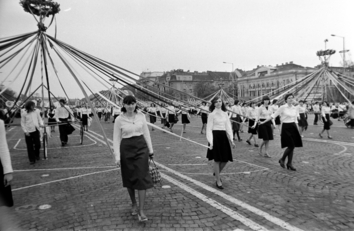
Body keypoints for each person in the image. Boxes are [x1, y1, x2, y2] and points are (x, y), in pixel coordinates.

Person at [113, 95, 154, 222]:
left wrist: (150, 150)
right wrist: (117, 157)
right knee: (129, 177)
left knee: (142, 177)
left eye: (132, 103)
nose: (130, 106)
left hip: (141, 147)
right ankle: (134, 203)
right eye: (128, 104)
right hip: (126, 149)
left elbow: (146, 133)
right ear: (124, 105)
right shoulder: (119, 119)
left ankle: (141, 210)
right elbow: (116, 138)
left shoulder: (141, 116)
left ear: (136, 104)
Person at [262, 93, 303, 171]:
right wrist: (263, 122)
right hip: (285, 127)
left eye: (292, 98)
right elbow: (273, 116)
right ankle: (282, 159)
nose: (291, 99)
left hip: (293, 126)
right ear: (286, 100)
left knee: (292, 146)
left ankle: (289, 163)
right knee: (291, 146)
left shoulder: (295, 108)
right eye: (289, 98)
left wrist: (297, 129)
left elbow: (295, 120)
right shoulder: (282, 107)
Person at [206, 97, 235, 190]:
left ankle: (216, 172)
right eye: (216, 102)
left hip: (223, 136)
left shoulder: (225, 114)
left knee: (226, 159)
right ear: (213, 104)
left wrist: (231, 139)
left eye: (220, 101)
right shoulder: (211, 115)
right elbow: (209, 129)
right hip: (215, 136)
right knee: (217, 159)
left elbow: (228, 127)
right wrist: (211, 141)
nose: (218, 103)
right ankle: (218, 181)